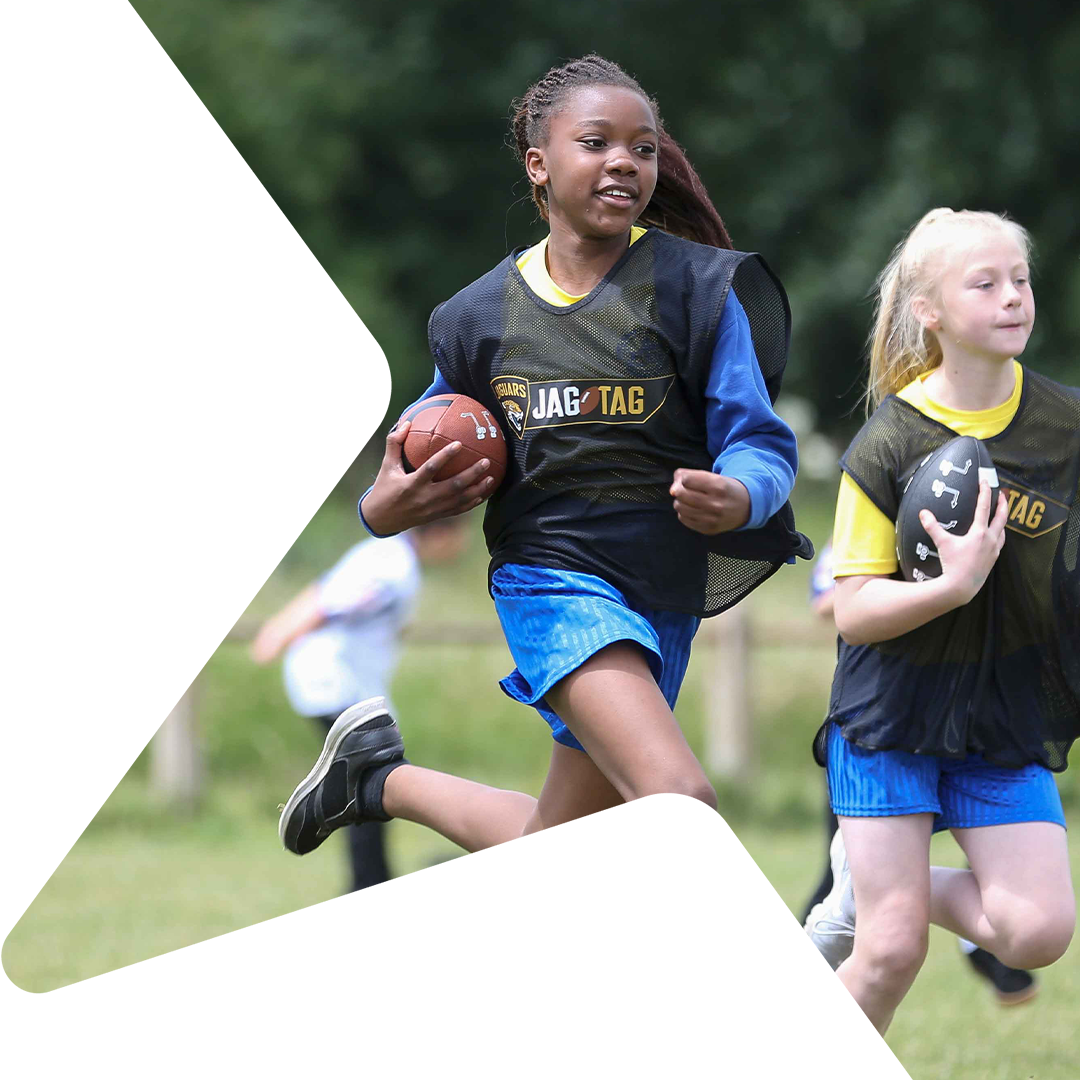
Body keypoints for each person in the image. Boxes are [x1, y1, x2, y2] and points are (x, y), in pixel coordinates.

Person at [277, 54, 812, 1080]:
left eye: (643, 148)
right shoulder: (479, 317)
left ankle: (377, 778)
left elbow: (761, 442)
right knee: (681, 802)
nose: (625, 163)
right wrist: (382, 505)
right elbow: (414, 451)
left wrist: (742, 494)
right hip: (553, 583)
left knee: (556, 864)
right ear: (538, 164)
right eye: (596, 143)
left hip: (659, 599)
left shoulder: (700, 290)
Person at [799, 209, 1078, 1080]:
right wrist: (949, 588)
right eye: (984, 284)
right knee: (889, 950)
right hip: (893, 714)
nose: (1012, 298)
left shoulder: (1068, 425)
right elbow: (851, 610)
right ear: (930, 311)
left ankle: (876, 884)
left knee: (1038, 933)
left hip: (1003, 714)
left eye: (1019, 280)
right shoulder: (889, 440)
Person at [770, 543, 1038, 1051]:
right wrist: (928, 587)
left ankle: (981, 941)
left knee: (1000, 853)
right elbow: (830, 602)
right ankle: (794, 1003)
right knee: (844, 877)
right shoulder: (869, 521)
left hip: (973, 718)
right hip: (880, 722)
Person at [251, 520, 467, 907]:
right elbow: (329, 603)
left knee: (371, 779)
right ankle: (369, 886)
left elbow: (324, 588)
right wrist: (277, 634)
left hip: (340, 682)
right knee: (373, 778)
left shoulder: (386, 554)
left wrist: (278, 627)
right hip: (332, 681)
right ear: (440, 533)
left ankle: (372, 885)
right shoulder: (394, 566)